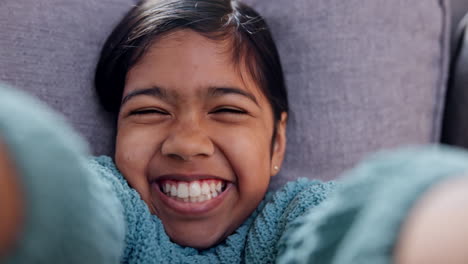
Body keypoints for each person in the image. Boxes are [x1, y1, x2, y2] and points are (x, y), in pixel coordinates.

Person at [0, 0, 468, 263]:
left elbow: (353, 225)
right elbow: (69, 205)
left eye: (226, 110)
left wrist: (432, 214)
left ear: (277, 143)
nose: (186, 143)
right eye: (148, 112)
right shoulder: (119, 206)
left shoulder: (291, 218)